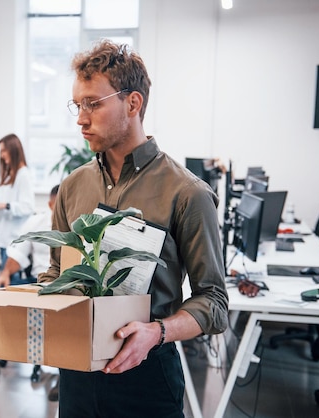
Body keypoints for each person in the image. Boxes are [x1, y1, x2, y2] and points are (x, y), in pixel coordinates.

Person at [39, 40, 229, 418]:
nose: (81, 118)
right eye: (77, 105)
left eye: (93, 103)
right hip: (76, 374)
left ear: (133, 103)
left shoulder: (187, 192)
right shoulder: (73, 187)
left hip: (147, 377)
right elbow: (57, 271)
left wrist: (156, 332)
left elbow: (214, 301)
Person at [0, 185, 60, 398]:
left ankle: (66, 374)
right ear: (50, 205)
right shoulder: (37, 222)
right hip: (37, 281)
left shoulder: (78, 225)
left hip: (65, 285)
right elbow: (19, 253)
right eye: (59, 204)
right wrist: (4, 275)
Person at [0, 133, 35, 274]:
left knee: (10, 285)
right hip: (4, 240)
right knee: (7, 284)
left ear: (13, 150)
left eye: (3, 151)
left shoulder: (23, 175)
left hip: (14, 240)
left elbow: (28, 207)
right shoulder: (10, 175)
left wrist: (5, 205)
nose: (2, 155)